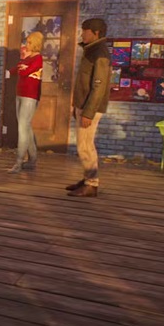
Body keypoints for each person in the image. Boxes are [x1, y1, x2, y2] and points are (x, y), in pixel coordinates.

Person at [66, 17, 111, 197]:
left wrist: (88, 112)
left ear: (96, 33)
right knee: (84, 144)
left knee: (85, 146)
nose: (82, 34)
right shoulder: (91, 50)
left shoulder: (100, 54)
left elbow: (98, 86)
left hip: (89, 108)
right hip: (83, 106)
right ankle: (87, 179)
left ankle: (91, 183)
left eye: (85, 31)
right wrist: (76, 105)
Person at [8, 31, 43, 174]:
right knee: (26, 127)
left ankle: (19, 162)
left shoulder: (38, 59)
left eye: (29, 42)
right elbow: (14, 70)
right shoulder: (27, 58)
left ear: (35, 43)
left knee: (22, 128)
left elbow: (23, 72)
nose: (26, 44)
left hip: (30, 96)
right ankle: (32, 160)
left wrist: (23, 68)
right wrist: (21, 66)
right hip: (20, 94)